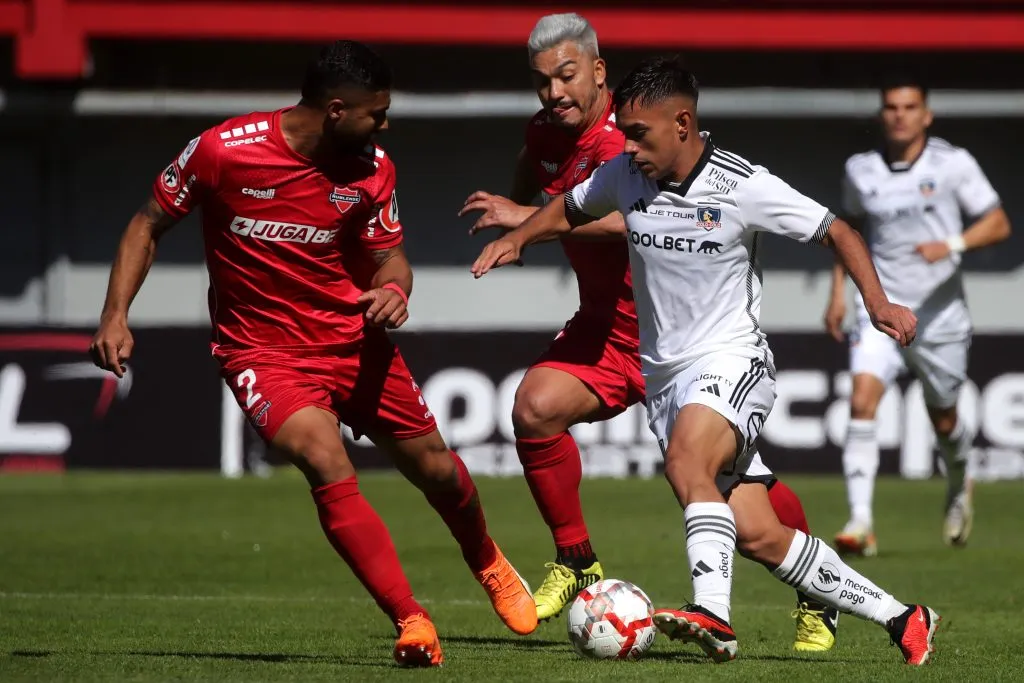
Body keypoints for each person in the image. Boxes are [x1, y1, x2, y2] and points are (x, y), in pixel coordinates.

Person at [471, 56, 939, 666]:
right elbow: (570, 207)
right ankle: (904, 618)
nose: (629, 147)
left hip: (732, 360)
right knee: (760, 536)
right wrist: (518, 236)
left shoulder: (743, 184)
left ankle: (713, 614)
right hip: (666, 378)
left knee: (685, 461)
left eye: (640, 134)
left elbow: (837, 230)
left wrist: (876, 305)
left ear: (684, 123)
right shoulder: (624, 175)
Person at [89, 40, 537, 668]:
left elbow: (390, 257)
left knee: (436, 469)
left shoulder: (373, 168)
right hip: (262, 353)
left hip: (353, 342)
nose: (385, 126)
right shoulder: (224, 151)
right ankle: (411, 620)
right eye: (375, 114)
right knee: (323, 458)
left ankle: (486, 558)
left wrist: (394, 289)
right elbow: (146, 223)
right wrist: (115, 314)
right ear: (334, 111)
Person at [827, 77, 1012, 556]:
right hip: (882, 309)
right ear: (881, 115)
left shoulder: (953, 164)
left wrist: (950, 244)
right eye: (891, 106)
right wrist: (838, 294)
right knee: (862, 399)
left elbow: (998, 223)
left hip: (940, 316)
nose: (900, 115)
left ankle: (958, 480)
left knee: (944, 418)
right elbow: (844, 230)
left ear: (926, 115)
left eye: (910, 107)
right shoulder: (861, 170)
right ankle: (861, 521)